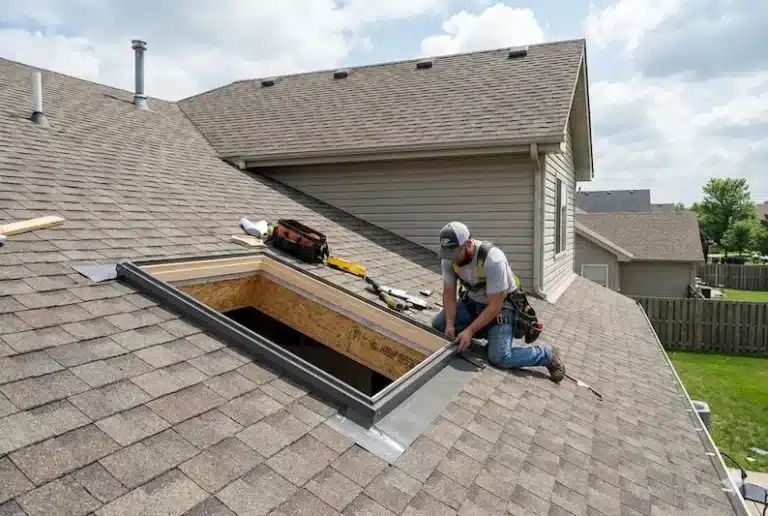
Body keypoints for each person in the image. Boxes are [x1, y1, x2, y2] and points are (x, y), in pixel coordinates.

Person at [431, 221, 566, 383]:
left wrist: (469, 331)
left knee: (500, 357)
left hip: (502, 308)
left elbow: (495, 306)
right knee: (439, 324)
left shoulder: (493, 259)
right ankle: (490, 336)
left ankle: (546, 354)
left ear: (467, 244)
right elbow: (449, 294)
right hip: (473, 303)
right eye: (447, 253)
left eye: (454, 253)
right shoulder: (448, 258)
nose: (451, 258)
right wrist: (450, 325)